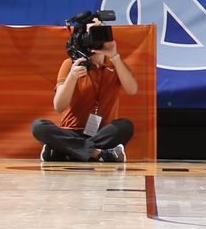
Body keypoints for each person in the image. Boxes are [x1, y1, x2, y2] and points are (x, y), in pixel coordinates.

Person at [31, 24, 138, 162]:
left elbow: (132, 89)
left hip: (102, 133)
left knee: (125, 126)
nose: (97, 39)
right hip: (70, 132)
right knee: (39, 126)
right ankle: (98, 154)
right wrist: (72, 77)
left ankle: (65, 152)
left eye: (100, 33)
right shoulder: (71, 64)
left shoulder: (116, 65)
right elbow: (59, 106)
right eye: (92, 34)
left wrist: (114, 56)